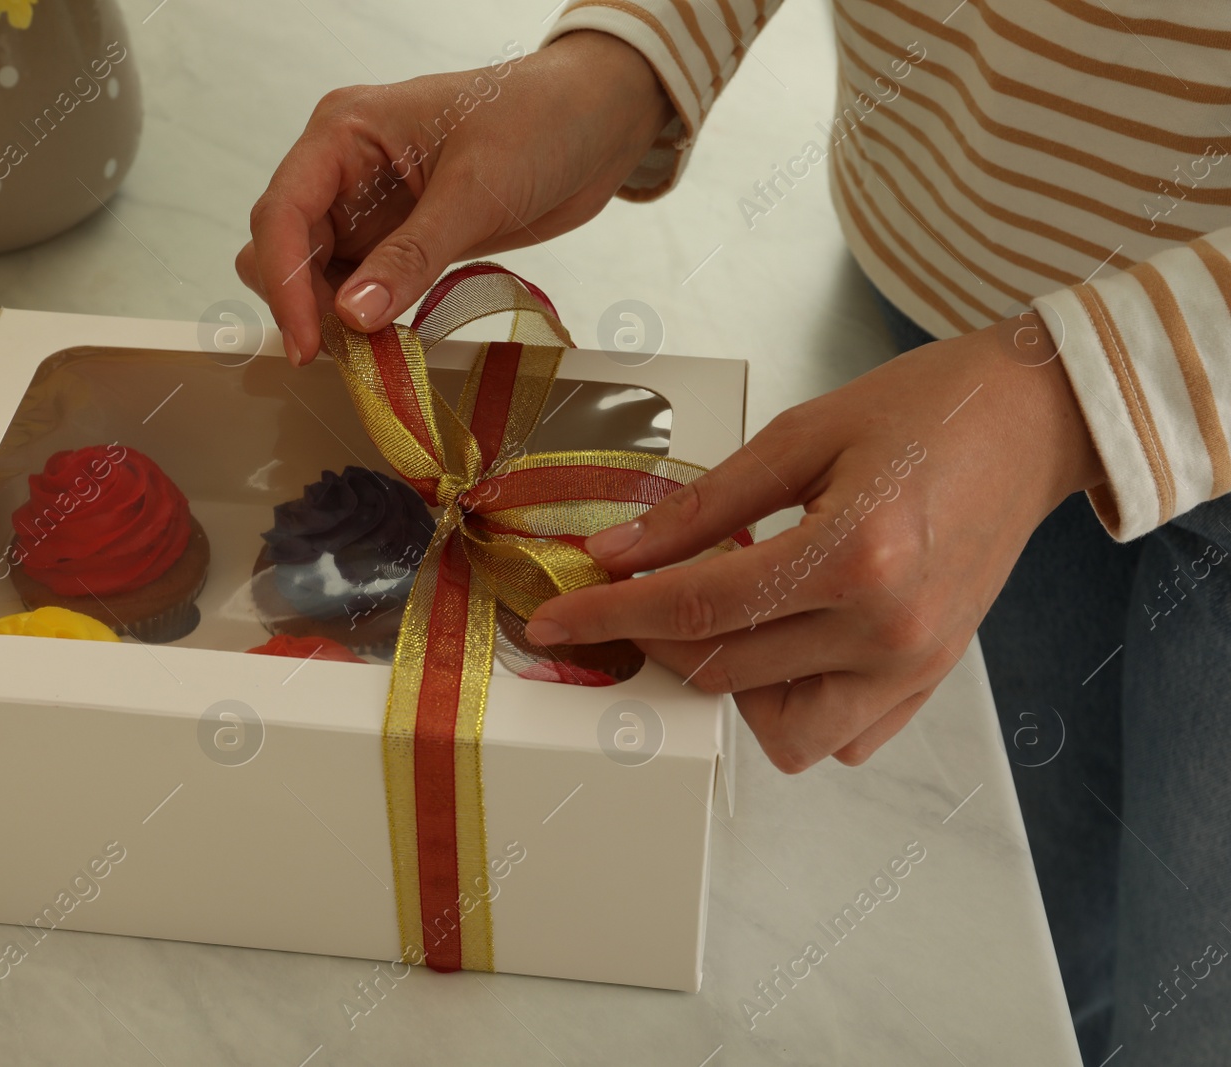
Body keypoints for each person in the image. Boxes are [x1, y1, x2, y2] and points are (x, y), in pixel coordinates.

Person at [235, 3, 1231, 1062]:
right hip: (939, 286)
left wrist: (1076, 396)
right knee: (1030, 906)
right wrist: (628, 59)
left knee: (1192, 997)